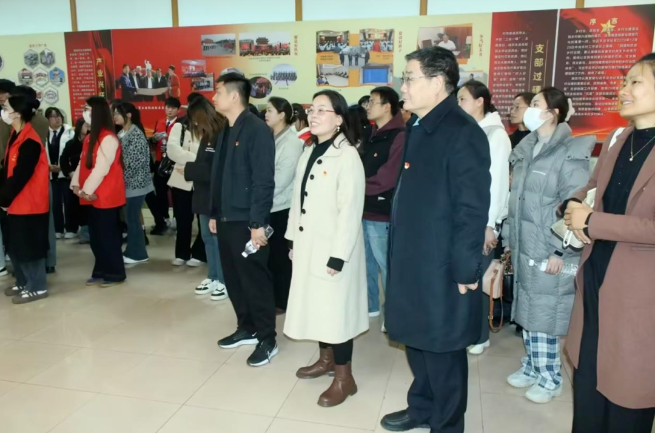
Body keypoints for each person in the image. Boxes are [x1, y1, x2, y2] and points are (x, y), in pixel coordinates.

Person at [380, 47, 491, 433]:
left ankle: (447, 424)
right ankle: (422, 408)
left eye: (410, 78)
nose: (403, 87)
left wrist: (465, 269)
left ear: (439, 82)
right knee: (417, 341)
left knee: (443, 350)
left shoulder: (462, 133)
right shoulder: (418, 126)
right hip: (412, 259)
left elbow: (471, 209)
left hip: (442, 267)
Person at [563, 53, 655, 432]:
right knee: (589, 385)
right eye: (624, 81)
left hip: (640, 293)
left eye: (635, 81)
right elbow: (590, 188)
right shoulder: (619, 138)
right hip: (597, 276)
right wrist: (572, 205)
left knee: (626, 394)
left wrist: (594, 222)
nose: (624, 89)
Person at [505, 87, 594, 404]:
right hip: (526, 245)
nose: (529, 109)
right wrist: (510, 241)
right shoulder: (528, 149)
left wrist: (561, 250)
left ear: (553, 113)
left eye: (536, 104)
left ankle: (550, 378)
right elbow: (517, 201)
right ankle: (532, 367)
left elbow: (574, 206)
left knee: (544, 313)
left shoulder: (569, 153)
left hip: (550, 249)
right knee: (527, 310)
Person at [284, 90, 367, 407]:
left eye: (322, 110)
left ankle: (345, 378)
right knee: (318, 305)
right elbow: (297, 200)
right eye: (312, 109)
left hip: (334, 249)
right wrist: (292, 239)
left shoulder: (347, 156)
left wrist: (338, 256)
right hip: (308, 244)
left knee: (336, 312)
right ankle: (326, 359)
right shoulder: (309, 151)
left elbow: (350, 211)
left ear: (339, 119)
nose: (314, 115)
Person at [208, 73, 277, 367]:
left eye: (218, 92)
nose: (214, 97)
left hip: (247, 221)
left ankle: (267, 338)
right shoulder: (225, 129)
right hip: (226, 217)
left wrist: (257, 223)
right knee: (234, 278)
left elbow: (263, 181)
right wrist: (214, 212)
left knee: (254, 279)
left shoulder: (257, 130)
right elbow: (219, 175)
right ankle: (247, 327)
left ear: (234, 96)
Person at [456, 80, 512, 355]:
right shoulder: (468, 131)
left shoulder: (495, 135)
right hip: (465, 218)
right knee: (465, 276)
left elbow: (497, 184)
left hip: (483, 221)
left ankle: (480, 336)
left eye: (463, 99)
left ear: (480, 102)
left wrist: (489, 225)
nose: (459, 105)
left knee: (478, 279)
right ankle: (467, 331)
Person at [0, 91, 50, 303]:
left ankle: (37, 287)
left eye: (6, 108)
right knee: (15, 246)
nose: (3, 112)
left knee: (30, 247)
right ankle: (23, 281)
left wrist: (4, 199)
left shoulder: (30, 141)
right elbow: (7, 170)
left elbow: (21, 176)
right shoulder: (15, 135)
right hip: (16, 203)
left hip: (30, 203)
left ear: (18, 113)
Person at [71, 96, 127, 287]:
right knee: (96, 237)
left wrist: (86, 190)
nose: (84, 112)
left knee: (108, 236)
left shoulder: (108, 138)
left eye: (88, 109)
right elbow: (82, 163)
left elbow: (101, 168)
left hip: (105, 195)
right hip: (90, 194)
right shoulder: (90, 137)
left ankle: (115, 273)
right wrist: (76, 185)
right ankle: (101, 270)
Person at [362, 87, 406, 321]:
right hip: (363, 209)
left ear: (387, 106)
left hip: (382, 213)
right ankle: (370, 306)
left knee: (387, 266)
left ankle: (393, 314)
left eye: (372, 102)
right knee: (365, 264)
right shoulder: (371, 133)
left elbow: (388, 177)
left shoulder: (399, 135)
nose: (368, 106)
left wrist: (357, 186)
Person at [183, 97, 228, 301]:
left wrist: (188, 169)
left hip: (215, 197)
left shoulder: (222, 134)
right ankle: (213, 276)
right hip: (202, 196)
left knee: (217, 240)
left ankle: (224, 280)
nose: (194, 124)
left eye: (195, 119)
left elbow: (217, 170)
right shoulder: (206, 135)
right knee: (207, 239)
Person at [264, 96, 303, 313]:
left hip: (281, 207)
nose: (266, 114)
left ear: (282, 115)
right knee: (269, 256)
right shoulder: (269, 136)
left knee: (280, 257)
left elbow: (281, 180)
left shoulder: (292, 142)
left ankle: (283, 300)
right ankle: (272, 297)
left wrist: (257, 196)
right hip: (267, 204)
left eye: (270, 110)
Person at [167, 95, 206, 267]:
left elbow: (211, 154)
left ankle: (200, 253)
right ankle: (181, 253)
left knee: (203, 220)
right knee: (183, 219)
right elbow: (173, 151)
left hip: (202, 180)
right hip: (181, 179)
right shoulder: (180, 126)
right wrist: (197, 159)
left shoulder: (210, 128)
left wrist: (191, 160)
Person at [113, 102, 153, 264]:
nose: (114, 116)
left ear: (128, 115)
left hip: (136, 184)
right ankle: (134, 250)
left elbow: (134, 163)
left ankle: (138, 253)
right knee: (131, 218)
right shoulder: (122, 132)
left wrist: (118, 177)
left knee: (132, 218)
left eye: (117, 113)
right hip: (127, 184)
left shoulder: (135, 134)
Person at [146, 97, 179, 235]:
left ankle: (177, 217)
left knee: (177, 192)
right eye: (167, 107)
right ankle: (164, 217)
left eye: (173, 108)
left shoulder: (180, 124)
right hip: (160, 161)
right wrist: (154, 139)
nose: (169, 110)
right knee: (160, 191)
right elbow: (153, 144)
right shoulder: (159, 122)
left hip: (175, 162)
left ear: (178, 110)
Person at [45, 107, 75, 239]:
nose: (56, 119)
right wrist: (48, 166)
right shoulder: (44, 133)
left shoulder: (70, 132)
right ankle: (58, 228)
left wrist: (62, 167)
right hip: (50, 174)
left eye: (58, 116)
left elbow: (73, 154)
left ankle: (71, 228)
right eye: (53, 116)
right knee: (55, 203)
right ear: (47, 119)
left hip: (66, 174)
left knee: (69, 202)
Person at [60, 118, 89, 244]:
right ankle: (75, 229)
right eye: (85, 125)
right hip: (75, 179)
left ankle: (88, 232)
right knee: (74, 205)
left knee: (88, 205)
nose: (88, 127)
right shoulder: (71, 144)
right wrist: (70, 172)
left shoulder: (93, 141)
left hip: (90, 178)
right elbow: (63, 160)